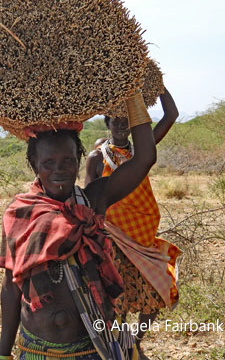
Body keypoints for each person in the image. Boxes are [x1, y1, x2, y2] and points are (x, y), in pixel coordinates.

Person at [0, 93, 156, 360]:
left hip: (92, 348)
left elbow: (145, 159)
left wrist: (132, 94)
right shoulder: (20, 212)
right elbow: (11, 287)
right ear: (34, 164)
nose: (59, 170)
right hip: (36, 350)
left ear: (79, 159)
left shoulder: (93, 200)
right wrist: (3, 354)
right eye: (48, 163)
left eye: (68, 161)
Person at [84, 87, 180, 359]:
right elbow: (90, 197)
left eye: (126, 120)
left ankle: (136, 341)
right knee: (120, 297)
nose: (122, 125)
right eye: (116, 120)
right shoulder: (97, 157)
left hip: (142, 234)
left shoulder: (141, 153)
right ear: (108, 123)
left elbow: (171, 114)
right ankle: (124, 347)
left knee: (155, 290)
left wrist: (156, 84)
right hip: (112, 235)